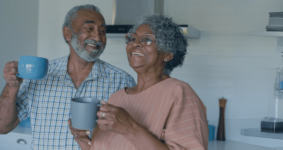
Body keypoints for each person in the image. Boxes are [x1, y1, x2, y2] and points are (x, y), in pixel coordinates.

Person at [0, 4, 136, 150]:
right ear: (68, 33)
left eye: (102, 31)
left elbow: (132, 138)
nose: (97, 37)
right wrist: (12, 86)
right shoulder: (40, 75)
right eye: (89, 29)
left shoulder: (122, 81)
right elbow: (2, 127)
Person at [70, 14, 208, 150]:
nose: (135, 43)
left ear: (167, 54)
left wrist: (130, 128)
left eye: (147, 39)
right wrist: (83, 141)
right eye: (132, 38)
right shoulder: (117, 98)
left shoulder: (179, 92)